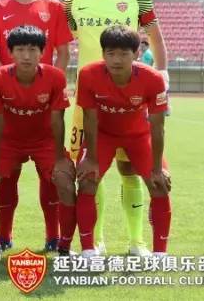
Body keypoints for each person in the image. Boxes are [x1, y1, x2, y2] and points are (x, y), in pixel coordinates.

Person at [63, 0, 169, 256]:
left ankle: (137, 242)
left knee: (130, 171)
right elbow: (67, 42)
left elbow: (156, 38)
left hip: (130, 99)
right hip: (88, 100)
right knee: (89, 171)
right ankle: (94, 242)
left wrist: (163, 75)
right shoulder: (72, 0)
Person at [0, 0, 72, 252]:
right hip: (10, 108)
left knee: (51, 178)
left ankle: (53, 236)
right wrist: (8, 85)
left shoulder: (53, 7)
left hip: (45, 108)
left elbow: (63, 52)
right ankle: (3, 236)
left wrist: (49, 88)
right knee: (7, 178)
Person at [70, 25, 171, 258]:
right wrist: (91, 159)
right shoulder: (88, 74)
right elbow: (90, 119)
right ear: (103, 54)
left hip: (138, 136)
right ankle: (89, 249)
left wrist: (157, 169)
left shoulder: (153, 79)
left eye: (124, 54)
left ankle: (160, 253)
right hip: (103, 134)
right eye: (111, 53)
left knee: (159, 184)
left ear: (136, 53)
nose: (117, 60)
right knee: (87, 180)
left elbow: (157, 127)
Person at [0, 25, 70, 261]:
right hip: (9, 141)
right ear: (10, 52)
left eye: (32, 50)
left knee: (64, 181)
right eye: (20, 50)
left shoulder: (55, 77)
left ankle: (60, 243)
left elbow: (58, 120)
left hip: (44, 140)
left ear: (42, 52)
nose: (26, 56)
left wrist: (60, 159)